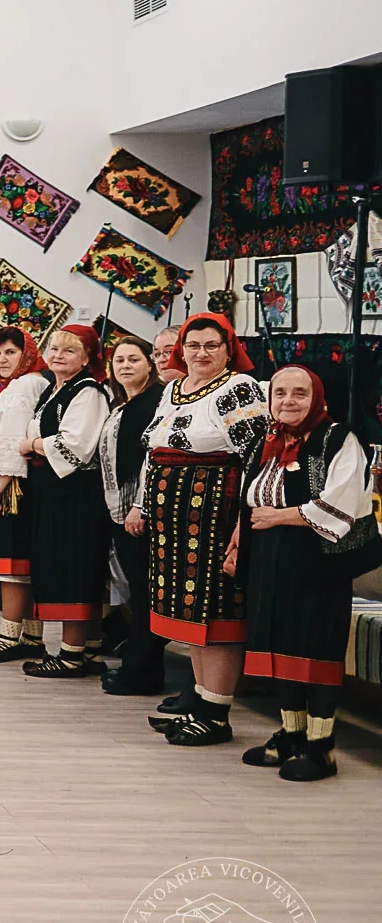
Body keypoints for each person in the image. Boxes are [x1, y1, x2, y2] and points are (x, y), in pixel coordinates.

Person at [127, 313, 268, 746]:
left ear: (229, 350)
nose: (201, 353)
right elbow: (154, 451)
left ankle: (216, 713)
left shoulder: (237, 388)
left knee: (216, 612)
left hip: (214, 513)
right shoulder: (173, 389)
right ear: (181, 351)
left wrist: (242, 524)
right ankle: (200, 702)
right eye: (193, 345)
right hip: (173, 517)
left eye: (211, 345)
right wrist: (143, 504)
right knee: (189, 612)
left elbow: (255, 458)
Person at [232, 366, 371, 781]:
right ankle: (291, 734)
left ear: (318, 399)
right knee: (278, 645)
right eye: (280, 393)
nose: (288, 401)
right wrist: (238, 542)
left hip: (317, 560)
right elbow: (250, 498)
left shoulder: (338, 439)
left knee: (314, 647)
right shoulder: (267, 439)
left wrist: (279, 517)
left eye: (299, 393)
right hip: (269, 557)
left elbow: (342, 503)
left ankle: (321, 746)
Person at [13, 326, 113, 679]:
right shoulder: (55, 389)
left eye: (69, 351)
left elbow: (76, 445)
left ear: (86, 359)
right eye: (54, 348)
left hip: (75, 492)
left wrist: (32, 445)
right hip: (54, 488)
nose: (58, 355)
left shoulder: (88, 392)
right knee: (64, 564)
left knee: (75, 567)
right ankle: (88, 650)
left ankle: (72, 654)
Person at [0, 327, 49, 663]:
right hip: (1, 471)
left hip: (12, 478)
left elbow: (11, 437)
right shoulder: (1, 387)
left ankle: (9, 636)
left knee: (12, 562)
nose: (2, 359)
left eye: (11, 352)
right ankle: (31, 636)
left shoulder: (26, 383)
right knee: (17, 560)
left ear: (26, 354)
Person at [98, 335, 166, 696]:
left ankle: (142, 671)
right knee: (135, 594)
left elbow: (150, 459)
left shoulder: (156, 401)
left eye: (134, 359)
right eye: (119, 360)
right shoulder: (122, 403)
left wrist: (140, 506)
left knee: (144, 594)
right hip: (118, 510)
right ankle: (137, 665)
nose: (125, 366)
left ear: (149, 364)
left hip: (140, 513)